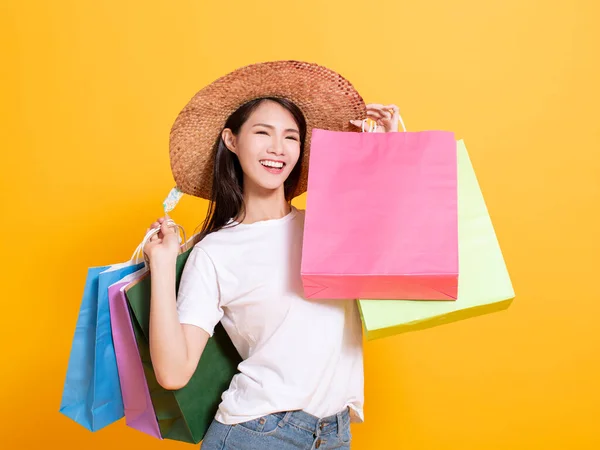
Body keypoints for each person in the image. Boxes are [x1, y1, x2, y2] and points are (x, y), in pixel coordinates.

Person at [142, 60, 401, 449]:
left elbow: (401, 241)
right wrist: (162, 268)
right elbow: (174, 372)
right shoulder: (215, 252)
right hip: (258, 433)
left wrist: (394, 154)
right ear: (232, 140)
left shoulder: (333, 227)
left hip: (333, 434)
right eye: (262, 133)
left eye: (291, 137)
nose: (277, 149)